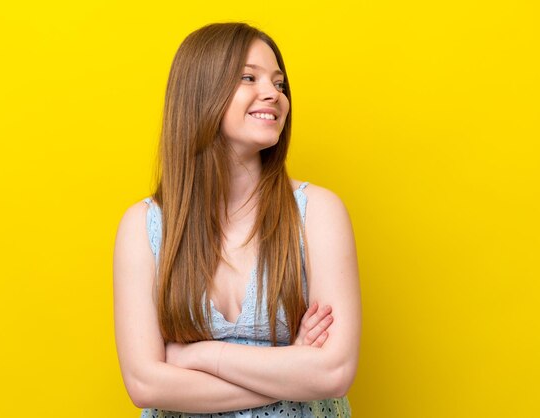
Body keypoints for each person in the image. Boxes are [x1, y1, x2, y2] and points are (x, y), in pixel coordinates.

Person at [113, 22, 361, 418]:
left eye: (279, 84)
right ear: (201, 94)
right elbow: (145, 383)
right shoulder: (143, 227)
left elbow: (333, 371)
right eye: (249, 77)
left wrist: (201, 356)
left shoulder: (318, 212)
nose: (274, 95)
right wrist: (293, 365)